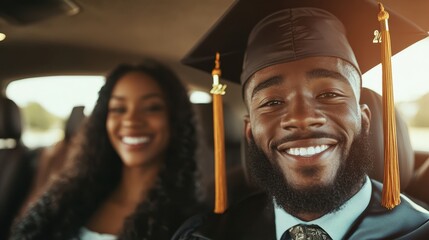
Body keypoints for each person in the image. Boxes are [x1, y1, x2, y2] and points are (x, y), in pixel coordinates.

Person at [173, 0, 429, 239]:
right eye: (272, 102)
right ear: (250, 132)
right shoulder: (209, 234)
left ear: (364, 119)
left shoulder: (419, 231)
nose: (301, 117)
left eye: (329, 94)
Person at [10, 59, 200, 240]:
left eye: (152, 108)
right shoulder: (66, 200)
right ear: (103, 120)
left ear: (175, 120)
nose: (131, 120)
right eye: (118, 108)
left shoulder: (191, 225)